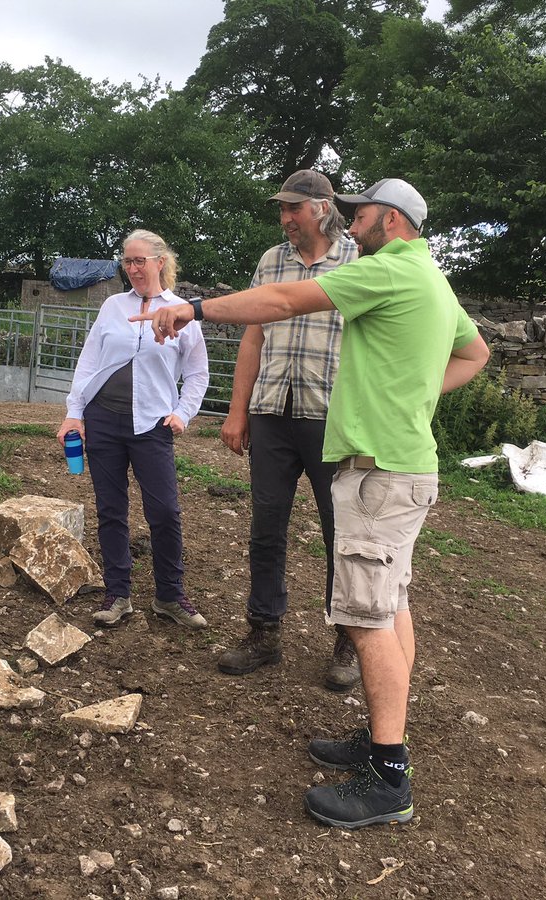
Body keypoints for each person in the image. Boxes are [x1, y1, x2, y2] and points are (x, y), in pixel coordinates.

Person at [132, 179, 490, 828]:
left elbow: (283, 300)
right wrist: (413, 396)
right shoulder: (431, 277)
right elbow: (475, 352)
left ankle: (389, 778)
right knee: (392, 605)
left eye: (361, 213)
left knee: (367, 619)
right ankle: (382, 738)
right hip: (400, 465)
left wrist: (193, 309)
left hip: (380, 473)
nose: (352, 223)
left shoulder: (388, 270)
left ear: (392, 219)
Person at [215, 169, 361, 691]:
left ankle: (349, 640)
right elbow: (253, 337)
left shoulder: (359, 261)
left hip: (332, 416)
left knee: (341, 533)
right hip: (272, 412)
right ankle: (264, 632)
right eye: (282, 209)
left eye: (293, 208)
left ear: (321, 208)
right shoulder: (272, 261)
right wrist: (237, 411)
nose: (285, 218)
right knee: (266, 527)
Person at [58, 229, 210, 630]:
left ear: (160, 262)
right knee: (111, 509)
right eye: (127, 261)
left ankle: (170, 595)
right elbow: (89, 361)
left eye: (140, 260)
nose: (133, 268)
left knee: (165, 511)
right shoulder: (112, 306)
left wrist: (183, 413)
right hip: (103, 420)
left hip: (153, 423)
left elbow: (197, 373)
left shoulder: (181, 311)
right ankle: (117, 594)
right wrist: (74, 413)